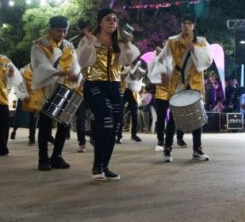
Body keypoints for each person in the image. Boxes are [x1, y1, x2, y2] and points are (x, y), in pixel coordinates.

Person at [77, 11, 139, 181]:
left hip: (115, 85)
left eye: (114, 19)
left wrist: (127, 44)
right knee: (107, 120)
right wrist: (90, 42)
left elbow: (127, 61)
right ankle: (97, 167)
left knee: (114, 126)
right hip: (94, 84)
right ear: (100, 22)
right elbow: (82, 61)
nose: (112, 21)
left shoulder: (118, 41)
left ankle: (105, 166)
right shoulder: (90, 39)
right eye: (108, 19)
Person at [149, 14, 213, 163]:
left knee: (197, 117)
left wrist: (194, 48)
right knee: (173, 117)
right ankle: (167, 148)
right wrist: (163, 73)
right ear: (181, 25)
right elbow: (161, 59)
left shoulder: (201, 41)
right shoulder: (173, 41)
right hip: (178, 82)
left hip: (195, 82)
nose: (186, 25)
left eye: (189, 23)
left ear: (194, 26)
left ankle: (197, 150)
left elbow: (208, 60)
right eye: (184, 22)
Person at [31, 16, 81, 171]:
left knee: (64, 124)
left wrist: (77, 75)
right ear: (50, 30)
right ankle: (43, 158)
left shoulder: (69, 45)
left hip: (65, 88)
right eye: (59, 31)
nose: (62, 34)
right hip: (47, 88)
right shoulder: (39, 45)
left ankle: (57, 156)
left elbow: (75, 64)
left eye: (65, 31)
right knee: (45, 125)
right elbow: (41, 67)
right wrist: (62, 73)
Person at [15, 64, 40, 146]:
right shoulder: (25, 70)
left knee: (36, 119)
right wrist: (23, 94)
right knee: (33, 118)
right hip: (31, 98)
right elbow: (20, 84)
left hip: (40, 97)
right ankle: (32, 138)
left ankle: (33, 137)